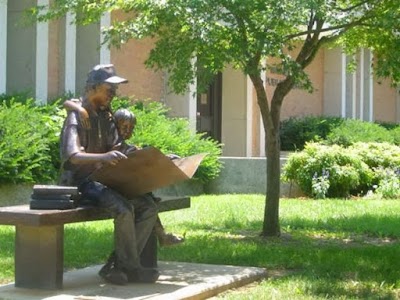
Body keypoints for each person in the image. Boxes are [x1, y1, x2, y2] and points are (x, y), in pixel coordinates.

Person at [59, 64, 159, 285]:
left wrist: (154, 156)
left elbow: (120, 147)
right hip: (80, 184)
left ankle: (120, 266)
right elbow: (72, 155)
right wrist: (103, 157)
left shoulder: (106, 117)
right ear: (93, 87)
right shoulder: (76, 117)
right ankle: (129, 267)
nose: (113, 94)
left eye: (115, 90)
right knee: (123, 209)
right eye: (109, 89)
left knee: (148, 207)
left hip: (105, 181)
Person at [63, 101, 185, 247]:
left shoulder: (122, 145)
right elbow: (69, 103)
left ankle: (133, 255)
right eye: (124, 126)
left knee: (147, 202)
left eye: (131, 128)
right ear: (115, 125)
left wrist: (165, 158)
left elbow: (139, 155)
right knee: (140, 202)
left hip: (110, 189)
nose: (128, 131)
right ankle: (160, 236)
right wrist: (79, 109)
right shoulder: (105, 142)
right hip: (90, 191)